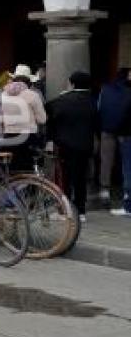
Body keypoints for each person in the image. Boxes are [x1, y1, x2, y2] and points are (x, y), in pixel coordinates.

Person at [47, 71, 99, 222]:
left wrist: (50, 140)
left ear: (72, 83)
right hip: (85, 145)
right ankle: (81, 211)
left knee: (65, 178)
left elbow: (49, 115)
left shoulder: (61, 100)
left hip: (65, 145)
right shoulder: (93, 101)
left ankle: (65, 210)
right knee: (80, 178)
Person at [0, 64, 47, 171]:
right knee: (27, 170)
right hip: (28, 138)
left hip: (9, 138)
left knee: (11, 170)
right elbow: (42, 119)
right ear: (29, 81)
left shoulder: (3, 95)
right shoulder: (33, 95)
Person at [98, 69, 131, 210]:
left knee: (106, 161)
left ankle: (105, 191)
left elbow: (99, 108)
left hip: (107, 130)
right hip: (127, 131)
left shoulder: (105, 89)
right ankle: (126, 193)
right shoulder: (129, 90)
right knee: (127, 162)